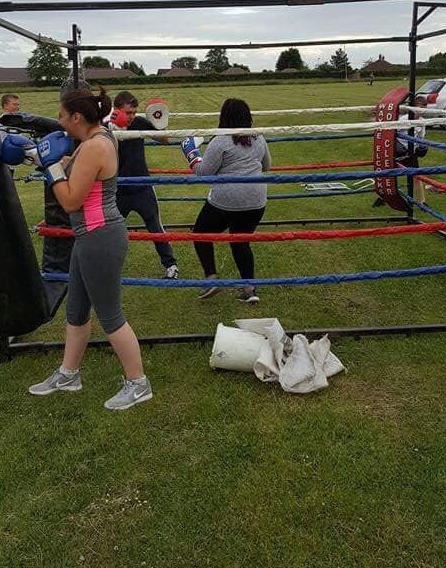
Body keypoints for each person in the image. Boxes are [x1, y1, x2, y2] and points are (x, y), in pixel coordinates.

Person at [28, 86, 152, 411]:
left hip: (100, 236)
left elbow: (70, 201)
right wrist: (39, 157)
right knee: (76, 311)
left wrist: (51, 169)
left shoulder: (95, 147)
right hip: (91, 237)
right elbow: (74, 165)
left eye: (61, 115)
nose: (59, 121)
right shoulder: (96, 139)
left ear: (77, 116)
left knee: (111, 315)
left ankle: (138, 384)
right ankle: (69, 375)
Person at [185, 98, 271, 304]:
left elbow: (204, 173)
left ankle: (211, 278)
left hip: (227, 200)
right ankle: (250, 289)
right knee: (240, 242)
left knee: (200, 234)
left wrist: (191, 153)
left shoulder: (220, 140)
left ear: (223, 117)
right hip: (256, 201)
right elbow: (267, 165)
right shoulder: (258, 137)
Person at [110, 91, 179, 279]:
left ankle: (170, 265)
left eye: (133, 112)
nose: (131, 116)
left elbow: (164, 140)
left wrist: (160, 124)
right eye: (127, 112)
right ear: (117, 111)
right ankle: (105, 266)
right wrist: (115, 130)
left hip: (142, 186)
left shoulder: (139, 123)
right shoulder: (106, 127)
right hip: (118, 189)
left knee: (155, 227)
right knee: (110, 230)